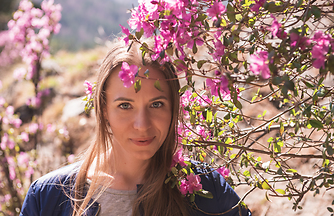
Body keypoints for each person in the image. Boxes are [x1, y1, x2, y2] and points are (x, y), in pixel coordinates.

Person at [20, 40, 251, 216]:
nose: (142, 124)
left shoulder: (206, 189)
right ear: (104, 109)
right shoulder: (47, 196)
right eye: (125, 106)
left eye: (157, 104)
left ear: (173, 109)